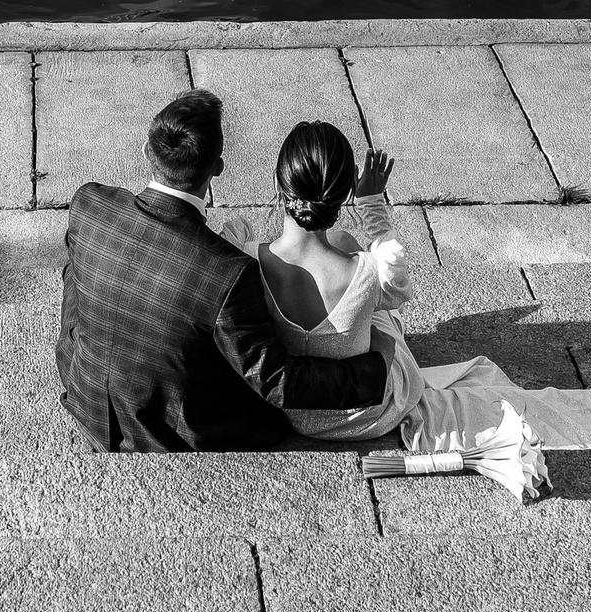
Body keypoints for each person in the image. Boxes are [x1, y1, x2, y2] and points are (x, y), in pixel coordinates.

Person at [256, 120, 591, 501]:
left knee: (364, 296)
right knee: (380, 311)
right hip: (372, 411)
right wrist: (372, 202)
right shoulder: (368, 271)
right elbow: (395, 285)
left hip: (297, 412)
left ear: (279, 184)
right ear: (343, 195)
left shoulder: (250, 264)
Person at [56, 90, 389, 451]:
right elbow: (276, 380)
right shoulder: (227, 273)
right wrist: (377, 367)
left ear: (146, 150)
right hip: (166, 437)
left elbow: (73, 284)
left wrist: (73, 350)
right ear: (218, 168)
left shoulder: (90, 204)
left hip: (86, 402)